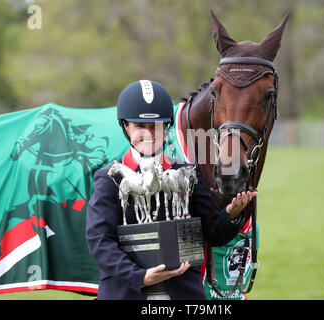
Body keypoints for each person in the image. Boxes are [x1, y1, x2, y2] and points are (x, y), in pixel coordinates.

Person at [86, 80, 257, 300]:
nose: (148, 134)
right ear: (126, 126)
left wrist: (232, 214)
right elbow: (100, 241)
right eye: (140, 126)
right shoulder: (109, 178)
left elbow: (212, 234)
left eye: (155, 126)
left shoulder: (188, 173)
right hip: (127, 292)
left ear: (166, 127)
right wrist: (140, 276)